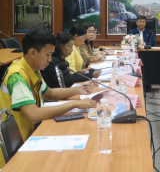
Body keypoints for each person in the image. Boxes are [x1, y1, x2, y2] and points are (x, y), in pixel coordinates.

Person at [0, 29, 96, 167]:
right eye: (48, 55)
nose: (50, 60)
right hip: (19, 148)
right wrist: (74, 104)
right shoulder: (17, 76)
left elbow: (49, 93)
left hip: (31, 136)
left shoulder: (32, 68)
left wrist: (76, 90)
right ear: (33, 52)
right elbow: (34, 115)